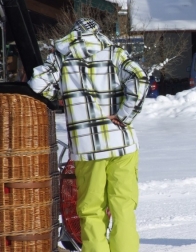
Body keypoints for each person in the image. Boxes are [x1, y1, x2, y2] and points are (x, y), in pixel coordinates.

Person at [28, 18, 148, 252]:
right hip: (122, 144)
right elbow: (139, 78)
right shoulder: (115, 53)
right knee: (123, 207)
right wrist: (124, 115)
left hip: (87, 148)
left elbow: (37, 83)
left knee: (91, 210)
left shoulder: (62, 57)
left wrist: (60, 93)